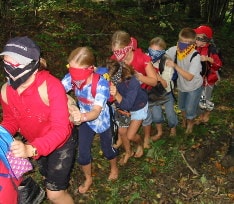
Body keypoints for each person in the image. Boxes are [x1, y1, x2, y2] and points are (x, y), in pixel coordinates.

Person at [0, 36, 77, 204]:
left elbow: (61, 130)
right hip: (34, 142)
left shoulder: (51, 86)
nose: (9, 69)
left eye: (16, 64)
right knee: (47, 175)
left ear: (33, 67)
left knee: (54, 194)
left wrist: (32, 150)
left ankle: (60, 189)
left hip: (61, 144)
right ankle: (60, 182)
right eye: (6, 63)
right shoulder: (6, 91)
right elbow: (11, 119)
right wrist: (1, 134)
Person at [61, 47, 118, 194]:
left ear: (91, 68)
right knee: (83, 153)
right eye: (71, 70)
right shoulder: (71, 78)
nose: (74, 76)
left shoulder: (101, 84)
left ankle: (114, 167)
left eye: (78, 72)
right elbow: (56, 92)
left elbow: (96, 111)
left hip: (102, 120)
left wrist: (81, 117)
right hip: (86, 122)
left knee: (108, 149)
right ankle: (88, 178)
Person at [110, 30, 158, 149]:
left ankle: (146, 137)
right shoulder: (115, 58)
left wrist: (139, 77)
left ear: (129, 47)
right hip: (126, 93)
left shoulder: (143, 59)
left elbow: (154, 81)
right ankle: (122, 137)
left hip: (143, 92)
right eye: (115, 52)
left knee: (145, 118)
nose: (118, 56)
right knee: (124, 116)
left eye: (121, 52)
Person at [106, 59, 148, 164]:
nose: (110, 82)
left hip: (138, 107)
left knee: (130, 136)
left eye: (112, 80)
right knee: (122, 131)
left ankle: (140, 143)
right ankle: (128, 152)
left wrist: (116, 94)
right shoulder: (113, 78)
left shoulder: (133, 82)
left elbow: (128, 104)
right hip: (122, 106)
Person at [166, 28, 203, 134]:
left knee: (190, 109)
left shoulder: (195, 56)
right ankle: (184, 120)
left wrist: (175, 66)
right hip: (182, 85)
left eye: (186, 43)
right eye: (181, 41)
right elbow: (163, 55)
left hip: (194, 87)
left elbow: (189, 77)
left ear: (193, 43)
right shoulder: (175, 50)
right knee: (182, 106)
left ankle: (190, 123)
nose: (182, 45)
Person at [143, 37, 178, 147]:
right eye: (151, 50)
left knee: (170, 113)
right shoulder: (145, 58)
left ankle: (173, 128)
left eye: (157, 51)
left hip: (166, 91)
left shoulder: (167, 61)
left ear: (162, 51)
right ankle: (159, 132)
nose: (153, 54)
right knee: (156, 115)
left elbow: (165, 84)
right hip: (153, 92)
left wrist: (154, 73)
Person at [194, 25, 223, 124]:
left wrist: (208, 59)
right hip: (198, 78)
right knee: (198, 98)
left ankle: (207, 112)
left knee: (205, 98)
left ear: (205, 39)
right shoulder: (195, 48)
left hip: (209, 79)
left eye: (198, 38)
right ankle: (201, 116)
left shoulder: (211, 50)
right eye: (195, 37)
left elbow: (218, 64)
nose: (195, 40)